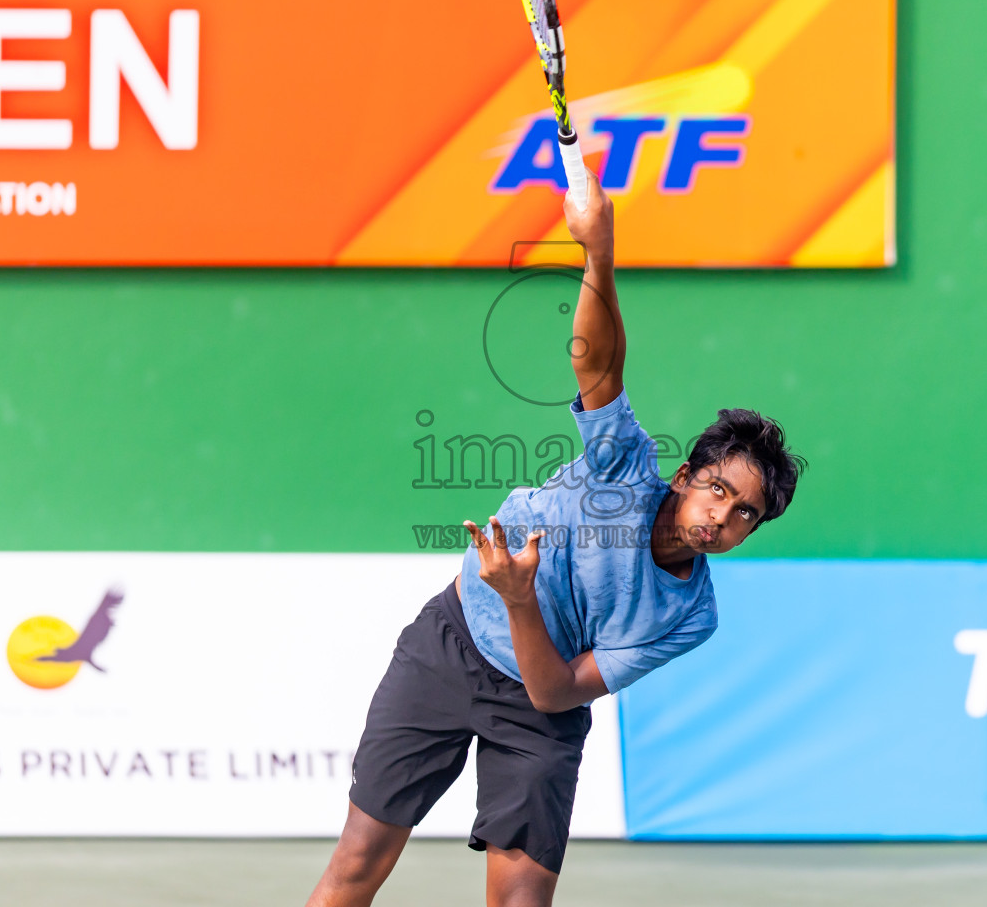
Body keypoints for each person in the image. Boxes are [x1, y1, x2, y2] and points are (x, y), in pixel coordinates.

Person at [306, 175, 805, 907]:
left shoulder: (691, 617)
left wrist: (520, 598)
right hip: (450, 645)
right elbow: (597, 364)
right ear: (686, 477)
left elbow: (554, 690)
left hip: (538, 715)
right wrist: (598, 255)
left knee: (520, 905)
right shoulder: (624, 466)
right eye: (719, 491)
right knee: (356, 866)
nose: (723, 519)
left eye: (745, 516)